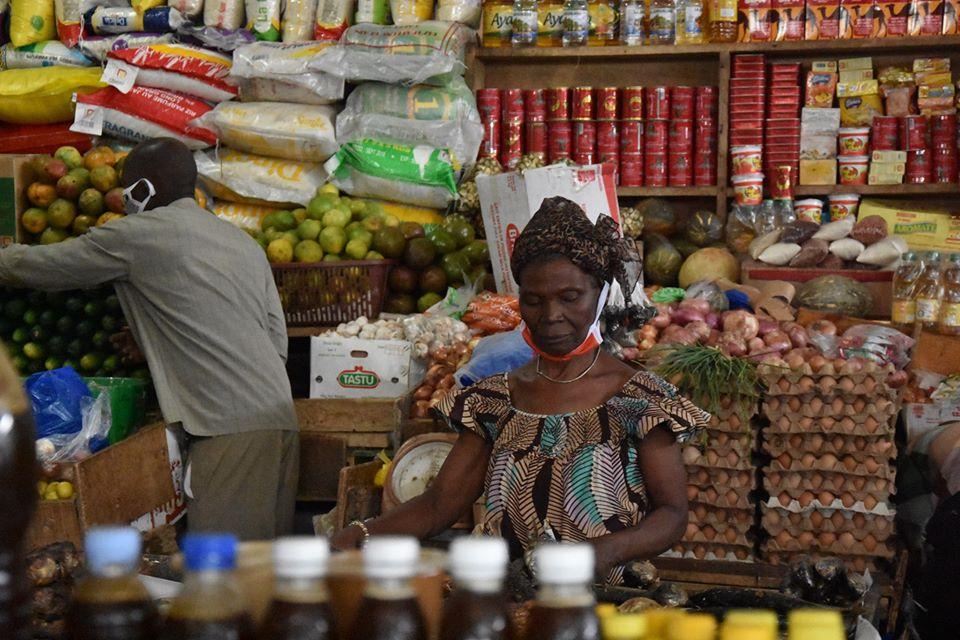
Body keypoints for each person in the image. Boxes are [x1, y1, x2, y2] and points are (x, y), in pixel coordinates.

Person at [332, 196, 709, 583]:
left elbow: (672, 514)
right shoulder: (493, 401)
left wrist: (607, 551)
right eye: (534, 300)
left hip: (603, 606)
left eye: (569, 297)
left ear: (598, 293)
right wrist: (358, 536)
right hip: (508, 607)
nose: (551, 316)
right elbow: (438, 505)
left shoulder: (641, 400)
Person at [0, 138, 299, 540]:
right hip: (279, 420)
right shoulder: (240, 241)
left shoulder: (140, 234)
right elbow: (274, 341)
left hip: (227, 428)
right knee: (266, 567)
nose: (123, 198)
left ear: (144, 188)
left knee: (223, 571)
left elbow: (51, 266)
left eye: (127, 187)